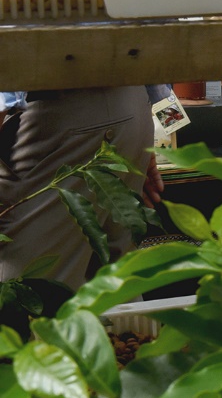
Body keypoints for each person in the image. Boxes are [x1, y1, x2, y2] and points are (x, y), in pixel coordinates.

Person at [0, 87, 164, 294]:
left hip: (61, 117)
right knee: (115, 295)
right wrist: (133, 132)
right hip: (129, 101)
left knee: (28, 297)